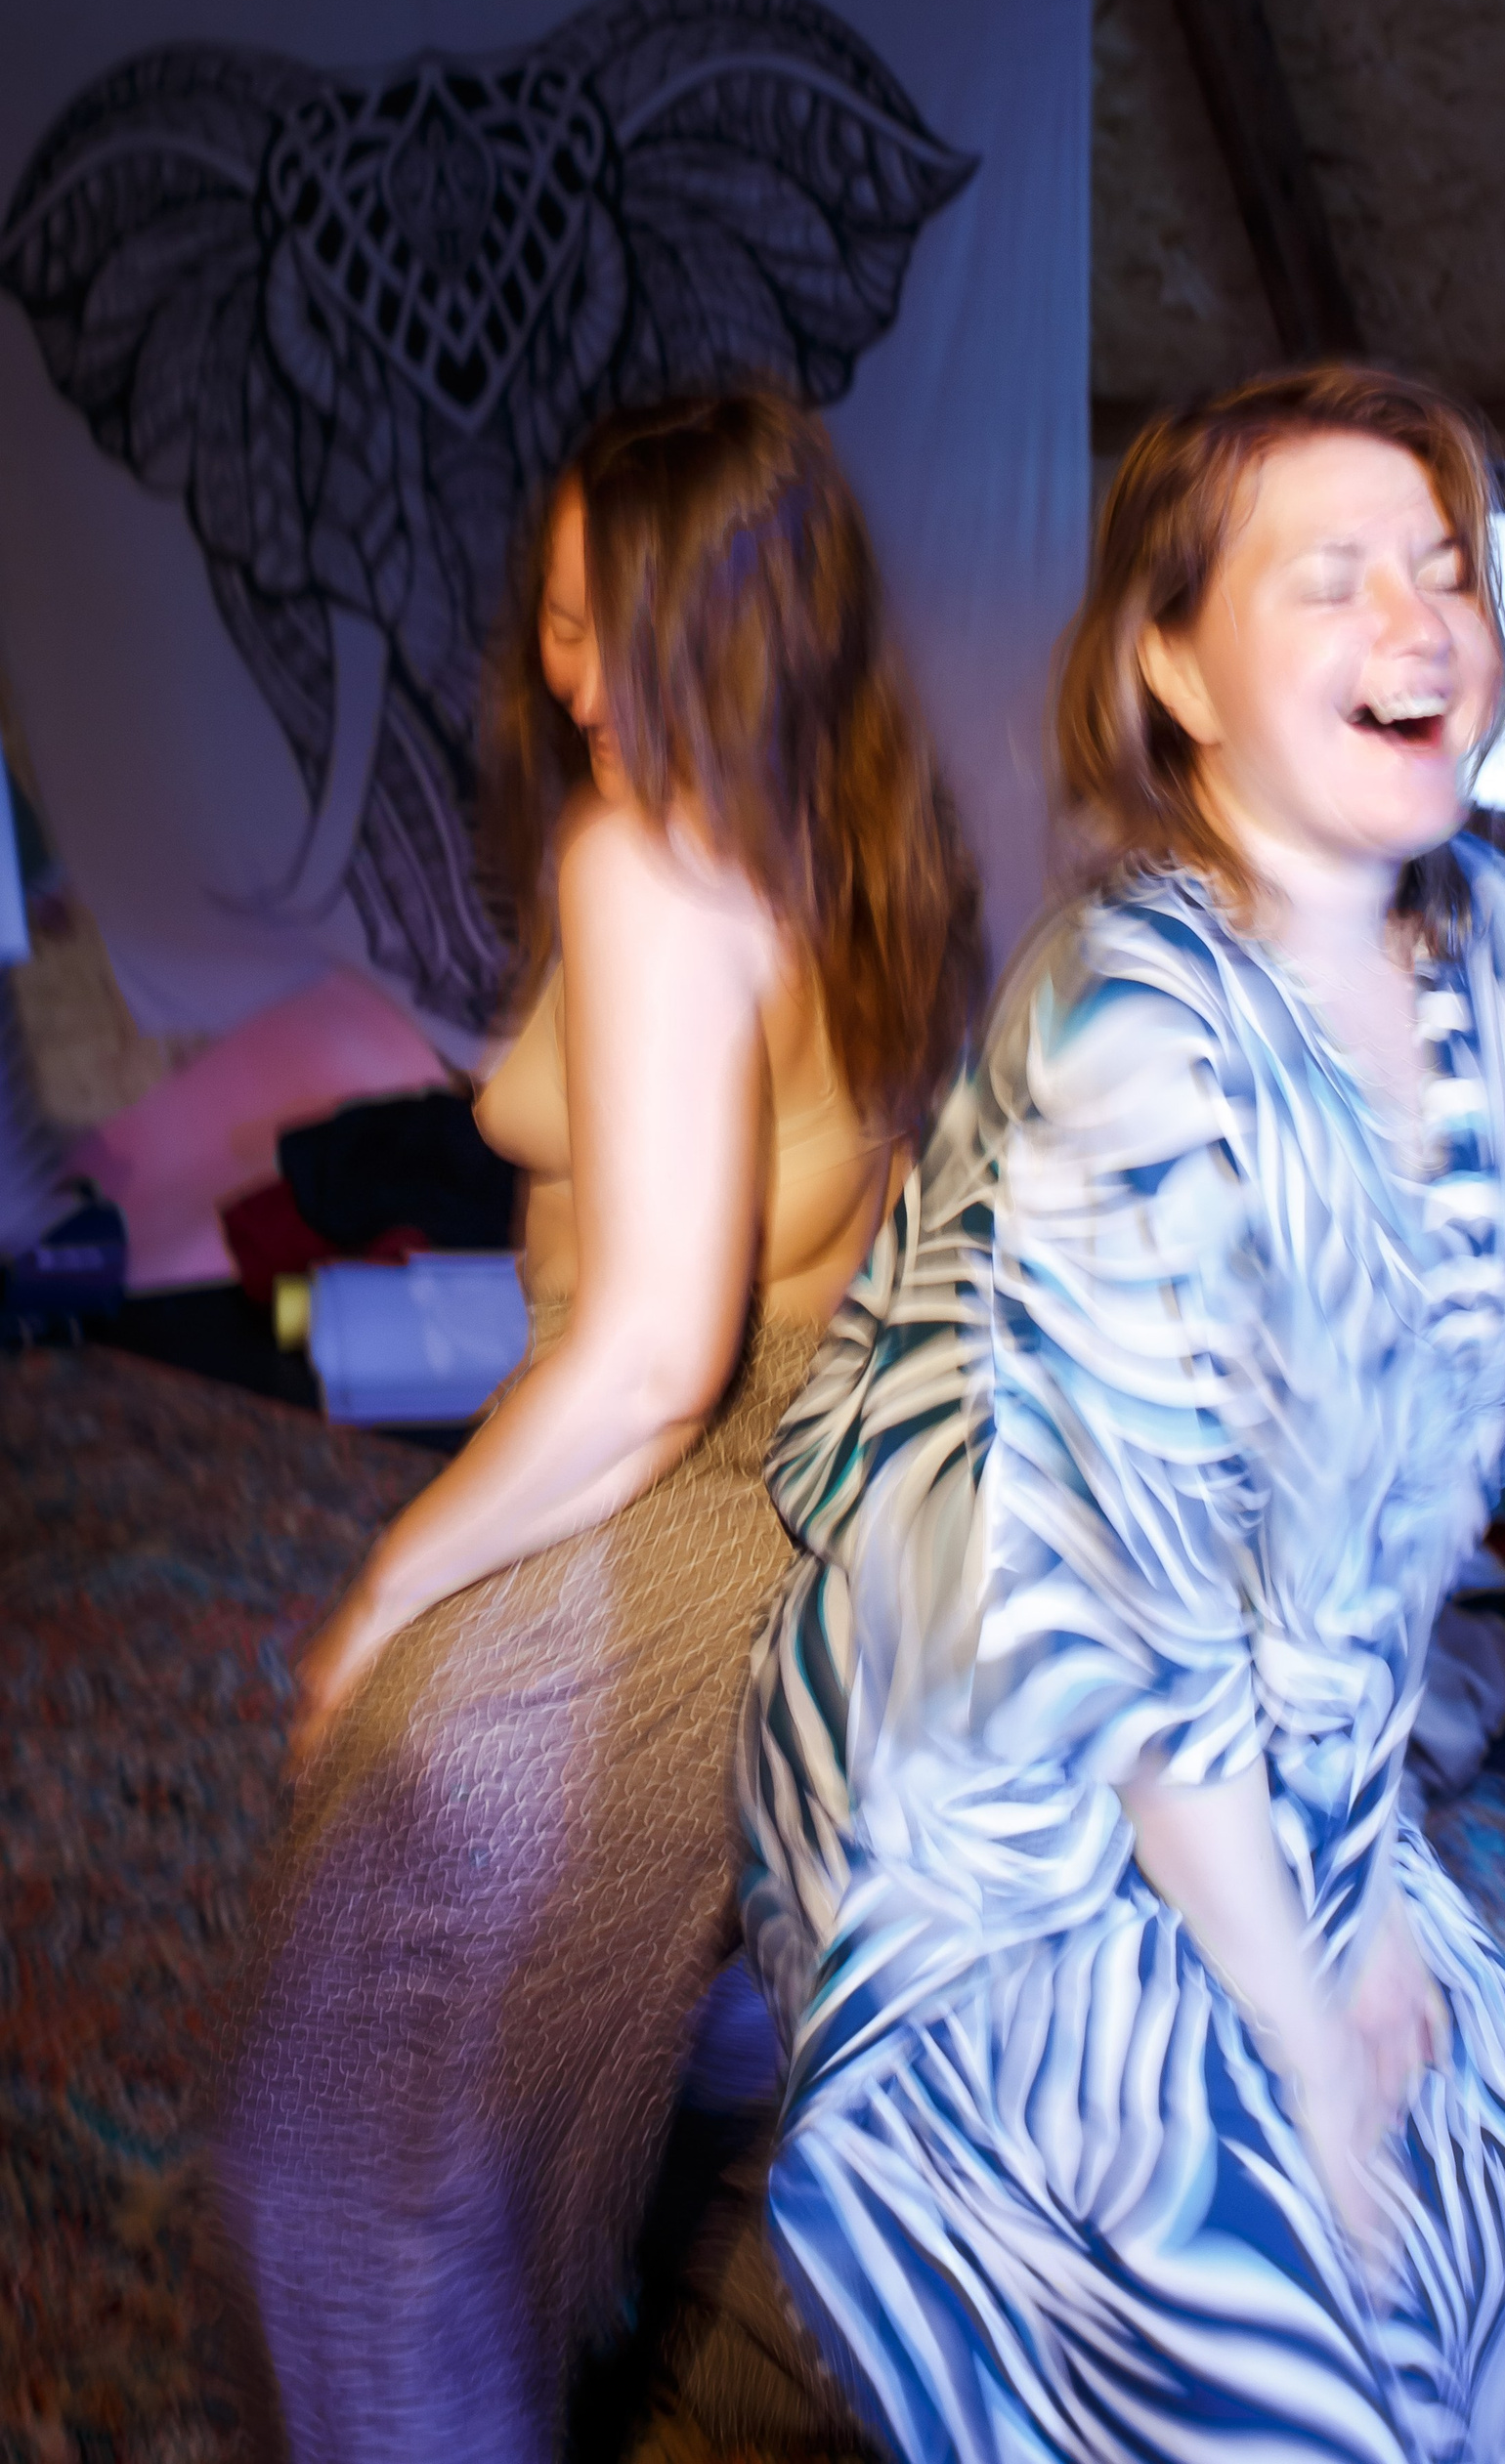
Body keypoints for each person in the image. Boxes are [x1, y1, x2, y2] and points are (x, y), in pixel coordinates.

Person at [739, 363, 1505, 2464]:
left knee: (1503, 2197)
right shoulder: (1134, 1021)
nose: (1420, 625)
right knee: (1270, 2314)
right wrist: (1303, 2022)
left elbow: (1426, 1480)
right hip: (1011, 1748)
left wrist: (1368, 1864)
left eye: (1443, 569)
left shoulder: (1491, 945)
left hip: (1278, 1720)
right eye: (1332, 579)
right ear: (1173, 669)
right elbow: (1114, 1632)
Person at [213, 388, 980, 2461]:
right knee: (645, 2064)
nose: (575, 678)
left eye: (620, 624)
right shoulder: (863, 835)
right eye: (558, 620)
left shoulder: (644, 857)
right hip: (827, 1529)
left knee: (331, 2172)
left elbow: (647, 1359)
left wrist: (392, 1593)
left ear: (755, 621)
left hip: (682, 1522)